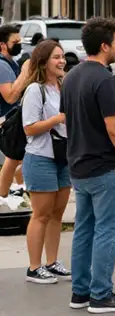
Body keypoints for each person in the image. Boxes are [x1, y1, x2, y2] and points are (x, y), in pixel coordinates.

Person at [60, 17, 115, 314]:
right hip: (104, 167)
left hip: (78, 165)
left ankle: (80, 292)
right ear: (105, 46)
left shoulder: (71, 76)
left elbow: (67, 120)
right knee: (107, 230)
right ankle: (101, 295)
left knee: (84, 229)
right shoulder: (105, 80)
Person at [21, 40, 71, 284]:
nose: (62, 61)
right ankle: (34, 267)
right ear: (43, 62)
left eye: (62, 57)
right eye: (56, 57)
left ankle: (52, 262)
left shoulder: (62, 86)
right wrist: (58, 119)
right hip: (41, 158)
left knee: (57, 214)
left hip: (64, 157)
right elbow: (29, 128)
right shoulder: (35, 90)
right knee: (41, 214)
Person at [0, 24, 29, 211]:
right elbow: (10, 96)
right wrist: (25, 73)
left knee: (15, 159)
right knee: (13, 158)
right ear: (2, 45)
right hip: (6, 120)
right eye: (15, 41)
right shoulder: (2, 66)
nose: (19, 44)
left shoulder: (11, 63)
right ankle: (4, 194)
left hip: (13, 119)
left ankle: (16, 188)